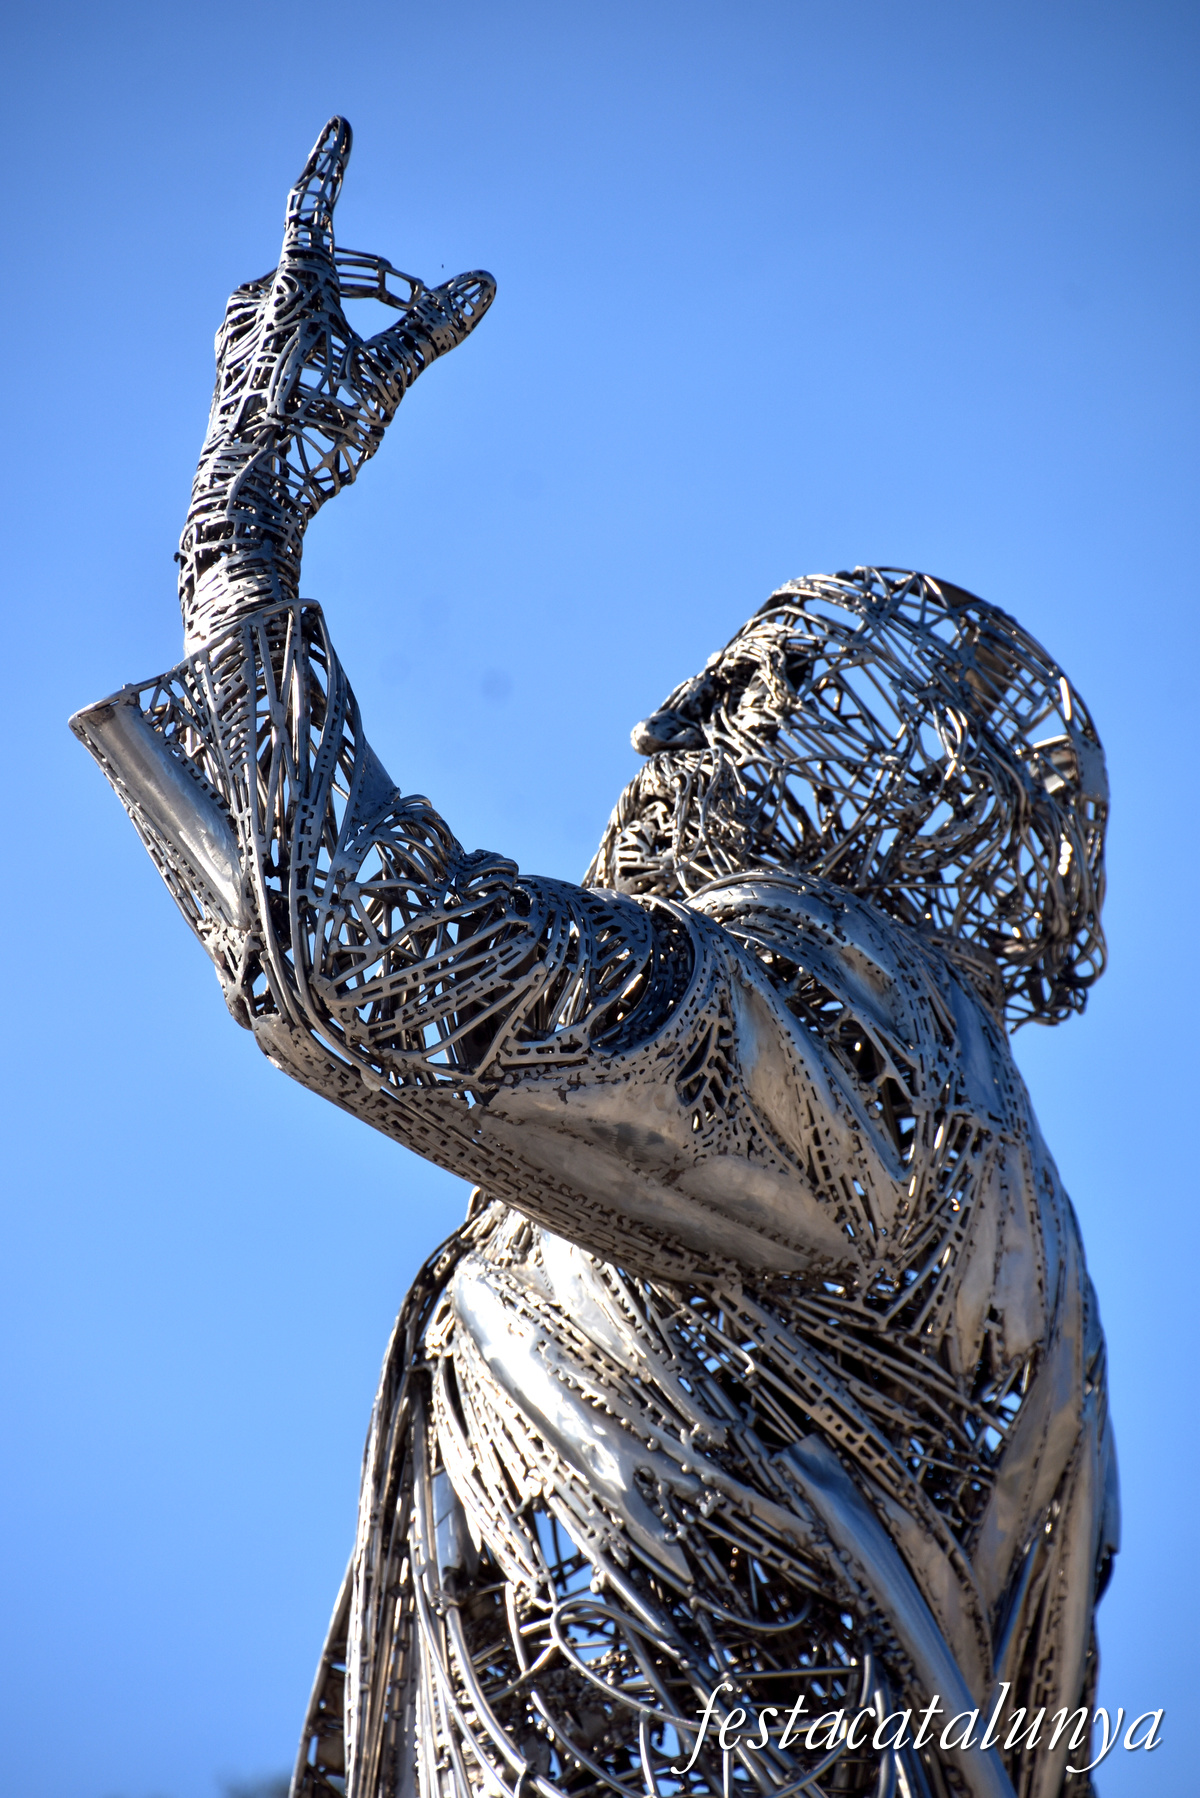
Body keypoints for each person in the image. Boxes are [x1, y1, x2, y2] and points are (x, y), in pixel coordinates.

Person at [72, 119, 1117, 1798]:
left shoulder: (837, 1019)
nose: (659, 728)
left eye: (762, 696)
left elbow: (363, 961)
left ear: (894, 799)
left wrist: (238, 535)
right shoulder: (989, 1168)